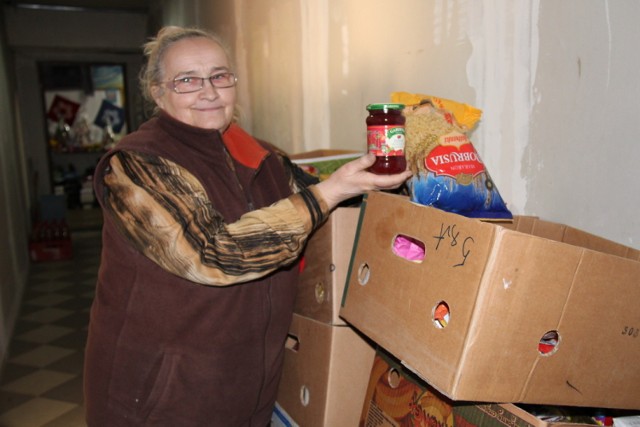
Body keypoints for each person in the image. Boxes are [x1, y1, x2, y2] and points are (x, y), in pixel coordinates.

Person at [83, 25, 412, 427]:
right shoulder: (136, 164)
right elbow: (214, 255)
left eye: (219, 76)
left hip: (245, 388)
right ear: (157, 92)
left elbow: (326, 207)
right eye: (187, 80)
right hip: (161, 398)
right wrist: (328, 192)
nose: (208, 92)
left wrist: (395, 179)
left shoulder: (261, 154)